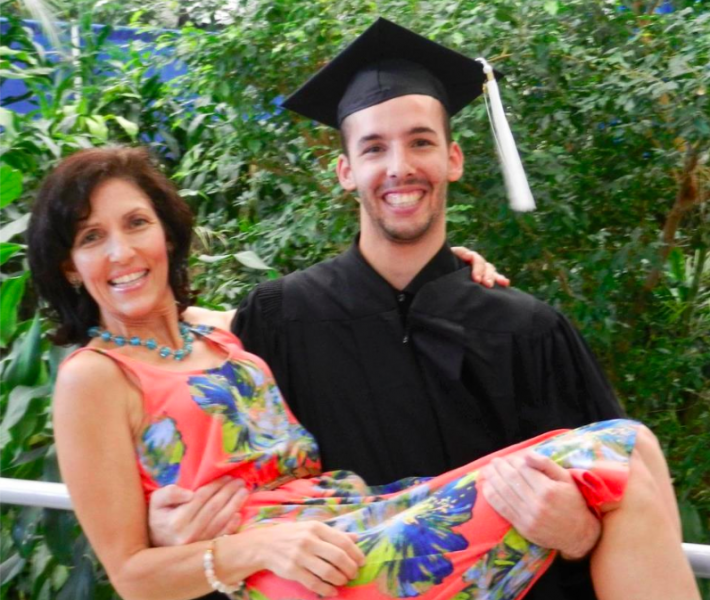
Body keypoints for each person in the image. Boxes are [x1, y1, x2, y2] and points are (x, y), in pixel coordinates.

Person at [27, 146, 699, 600]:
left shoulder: (215, 329)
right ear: (68, 267)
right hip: (308, 570)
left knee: (632, 441)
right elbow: (131, 576)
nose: (121, 252)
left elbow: (342, 303)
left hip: (352, 516)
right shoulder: (94, 378)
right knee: (610, 465)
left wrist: (447, 269)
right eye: (90, 238)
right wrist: (241, 551)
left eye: (136, 223)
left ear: (167, 233)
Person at [148, 18, 659, 600]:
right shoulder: (277, 317)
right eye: (373, 148)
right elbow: (228, 472)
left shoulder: (528, 330)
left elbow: (613, 492)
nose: (399, 167)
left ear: (454, 159)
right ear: (346, 172)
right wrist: (175, 526)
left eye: (420, 141)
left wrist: (576, 531)